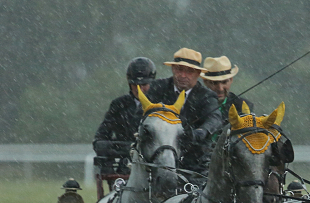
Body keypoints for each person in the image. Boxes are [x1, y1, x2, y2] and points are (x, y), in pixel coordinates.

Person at [149, 47, 222, 182]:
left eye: (189, 71)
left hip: (195, 162)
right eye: (179, 69)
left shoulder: (206, 96)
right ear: (173, 70)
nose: (183, 75)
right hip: (158, 157)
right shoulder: (157, 88)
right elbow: (142, 115)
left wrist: (201, 132)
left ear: (199, 74)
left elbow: (215, 118)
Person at [92, 57, 156, 188]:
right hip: (125, 169)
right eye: (135, 85)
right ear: (129, 84)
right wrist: (118, 149)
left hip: (154, 168)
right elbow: (101, 136)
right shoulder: (119, 105)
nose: (140, 90)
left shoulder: (160, 105)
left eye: (144, 85)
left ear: (152, 83)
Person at [200, 56, 254, 120]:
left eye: (224, 82)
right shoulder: (195, 105)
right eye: (214, 83)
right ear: (205, 82)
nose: (220, 88)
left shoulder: (243, 106)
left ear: (231, 80)